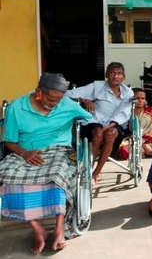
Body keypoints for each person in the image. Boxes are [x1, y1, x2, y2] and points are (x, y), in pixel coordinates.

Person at [0, 73, 92, 254]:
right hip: (25, 151)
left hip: (59, 150)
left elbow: (92, 117)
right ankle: (37, 229)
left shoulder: (67, 105)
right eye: (51, 99)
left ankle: (59, 228)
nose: (54, 104)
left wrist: (86, 101)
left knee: (57, 174)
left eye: (58, 101)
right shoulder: (16, 108)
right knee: (7, 176)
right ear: (38, 92)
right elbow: (9, 141)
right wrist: (25, 153)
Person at [66, 62, 133, 185]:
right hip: (95, 120)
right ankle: (89, 169)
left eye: (119, 73)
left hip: (116, 123)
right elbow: (69, 93)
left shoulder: (128, 92)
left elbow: (124, 112)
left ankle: (96, 172)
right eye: (112, 73)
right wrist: (84, 99)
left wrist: (110, 125)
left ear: (124, 77)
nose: (115, 76)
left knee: (110, 133)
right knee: (97, 133)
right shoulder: (97, 86)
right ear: (106, 75)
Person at [119, 88, 152, 158]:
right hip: (132, 141)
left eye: (143, 98)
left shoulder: (151, 111)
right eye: (137, 98)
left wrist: (146, 142)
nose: (140, 101)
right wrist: (143, 144)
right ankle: (147, 151)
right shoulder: (126, 112)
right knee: (124, 149)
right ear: (131, 99)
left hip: (150, 140)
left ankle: (143, 152)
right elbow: (125, 134)